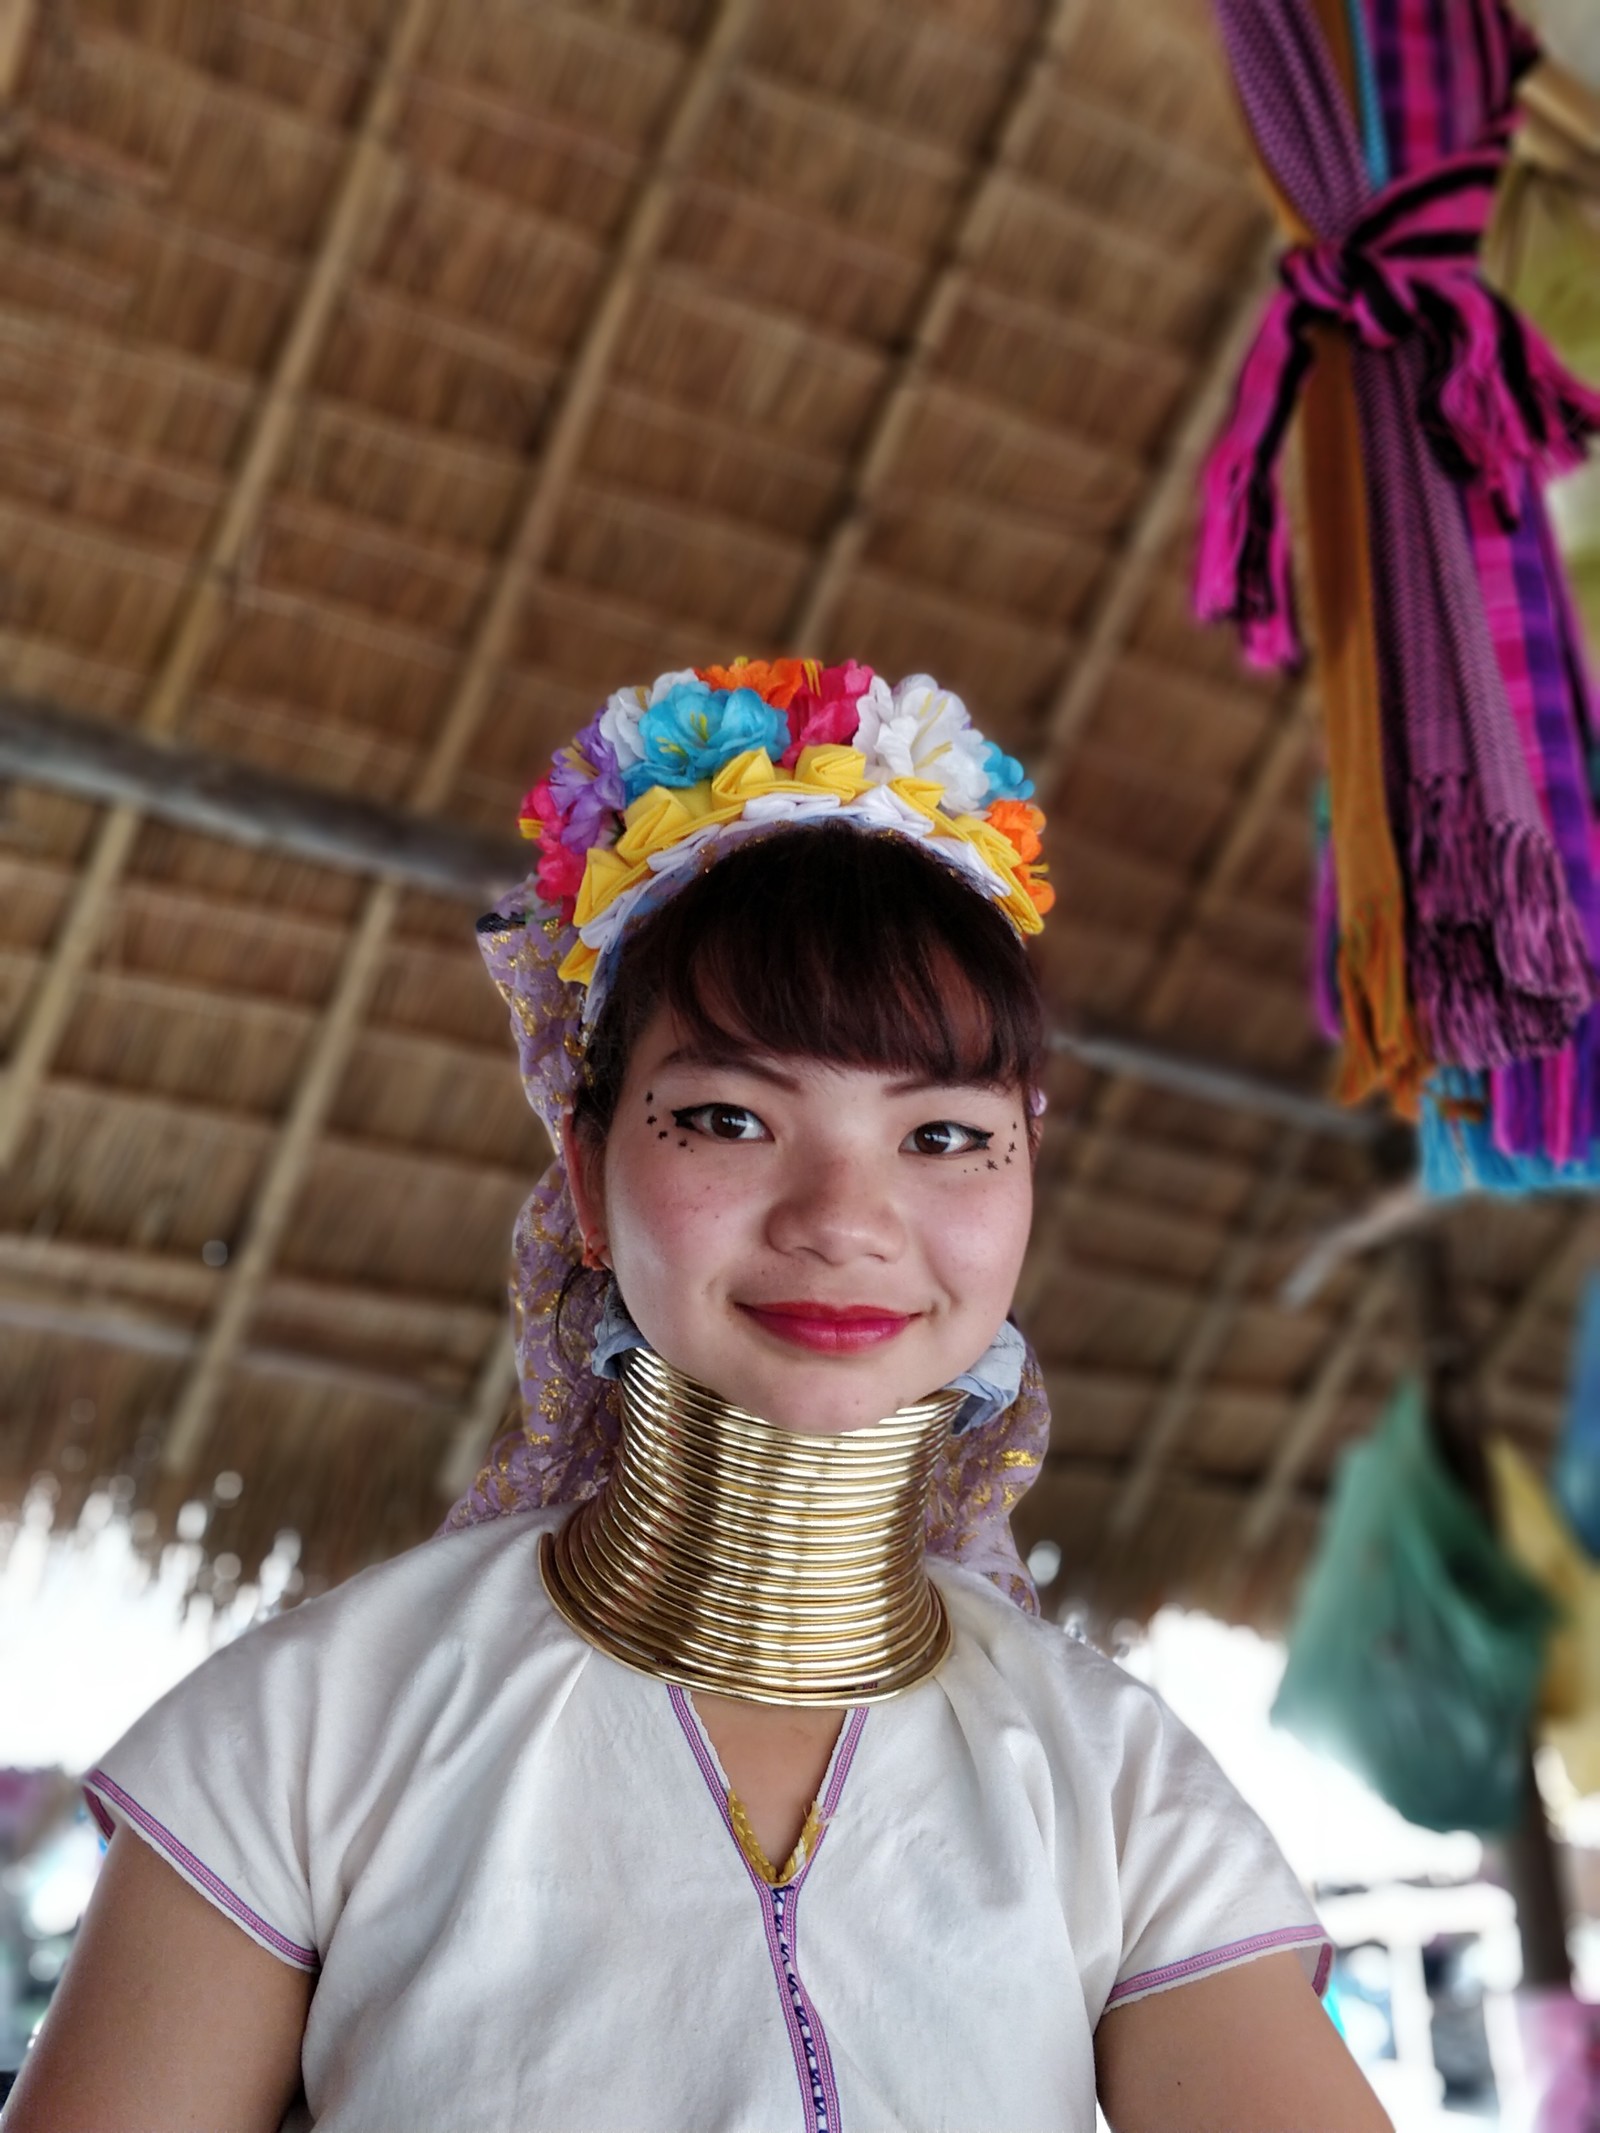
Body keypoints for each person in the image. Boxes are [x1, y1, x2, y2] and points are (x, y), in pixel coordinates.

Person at [3, 661, 1390, 2132]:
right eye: (730, 1116)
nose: (844, 1214)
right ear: (589, 1177)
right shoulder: (310, 1734)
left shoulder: (1112, 1783)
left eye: (942, 1132)